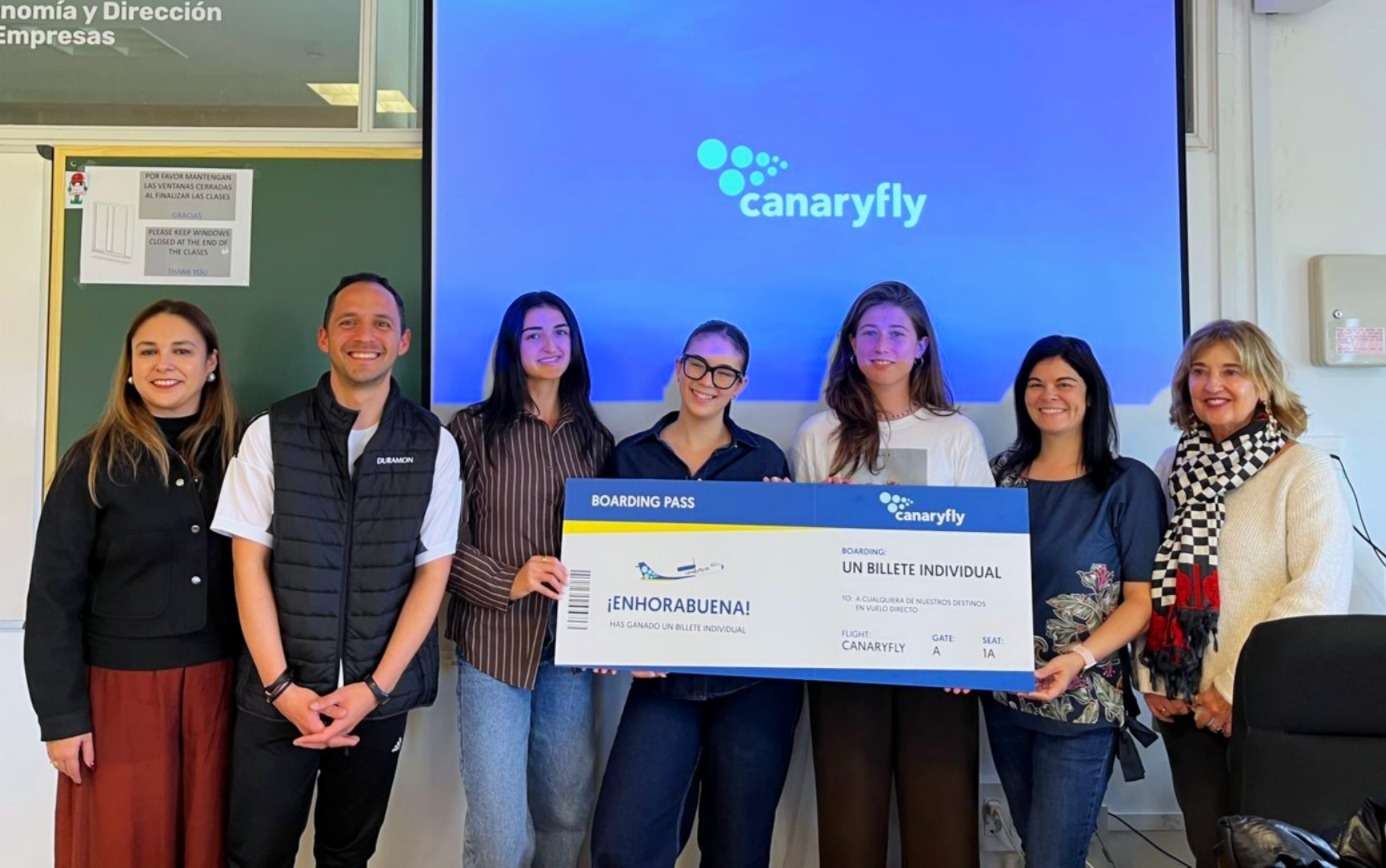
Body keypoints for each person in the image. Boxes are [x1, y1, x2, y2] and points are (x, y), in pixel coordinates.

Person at [212, 273, 461, 868]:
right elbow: (248, 565)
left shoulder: (433, 443)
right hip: (277, 695)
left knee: (347, 856)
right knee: (254, 855)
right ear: (323, 337)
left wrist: (374, 691)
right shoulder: (271, 432)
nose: (364, 336)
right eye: (348, 322)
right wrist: (281, 689)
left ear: (403, 341)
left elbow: (432, 575)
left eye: (381, 323)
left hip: (375, 699)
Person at [25, 299, 240, 868]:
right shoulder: (92, 460)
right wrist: (62, 719)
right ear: (128, 367)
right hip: (118, 697)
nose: (163, 364)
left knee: (208, 844)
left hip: (219, 691)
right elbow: (52, 597)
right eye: (148, 351)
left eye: (182, 350)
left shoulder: (243, 454)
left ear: (211, 363)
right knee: (123, 844)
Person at [1136, 319, 1353, 868]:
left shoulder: (1303, 470)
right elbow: (1153, 575)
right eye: (1200, 372)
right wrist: (1157, 675)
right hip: (1186, 705)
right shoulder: (1172, 465)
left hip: (1267, 706)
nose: (1213, 385)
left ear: (1264, 383)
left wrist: (1236, 686)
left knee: (1275, 858)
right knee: (1211, 854)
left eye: (1232, 371)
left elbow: (1317, 591)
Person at [791, 280, 993, 867]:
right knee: (849, 829)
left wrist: (971, 651)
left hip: (939, 660)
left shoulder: (956, 433)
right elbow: (797, 559)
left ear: (922, 347)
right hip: (844, 656)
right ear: (851, 345)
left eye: (898, 334)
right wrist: (822, 516)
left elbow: (984, 550)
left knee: (943, 829)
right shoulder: (817, 433)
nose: (883, 345)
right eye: (870, 333)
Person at [590, 320, 803, 868]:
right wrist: (608, 637)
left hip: (754, 686)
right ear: (679, 367)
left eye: (724, 372)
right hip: (664, 683)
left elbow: (786, 580)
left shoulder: (766, 462)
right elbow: (607, 565)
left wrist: (791, 520)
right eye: (698, 365)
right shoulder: (630, 459)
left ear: (741, 385)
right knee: (622, 845)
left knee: (738, 851)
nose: (708, 380)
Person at [445, 292, 612, 868]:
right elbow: (438, 545)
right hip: (494, 649)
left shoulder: (596, 440)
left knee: (565, 813)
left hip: (569, 652)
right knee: (499, 834)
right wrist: (506, 581)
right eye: (534, 333)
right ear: (512, 347)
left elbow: (614, 548)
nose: (550, 344)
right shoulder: (470, 431)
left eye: (561, 332)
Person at [985, 336, 1165, 868]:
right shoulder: (999, 477)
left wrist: (1079, 658)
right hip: (1005, 698)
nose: (1049, 395)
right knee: (1036, 849)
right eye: (1035, 384)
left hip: (1084, 702)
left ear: (1091, 395)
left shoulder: (1127, 483)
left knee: (1053, 858)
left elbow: (1140, 602)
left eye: (1065, 383)